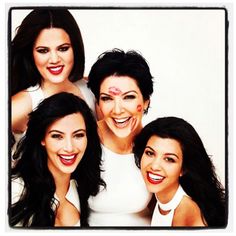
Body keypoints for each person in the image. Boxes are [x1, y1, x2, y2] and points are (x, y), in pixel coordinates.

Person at [10, 92, 105, 227]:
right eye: (57, 136)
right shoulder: (15, 190)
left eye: (78, 135)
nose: (69, 147)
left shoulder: (81, 188)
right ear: (42, 139)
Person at [11, 8, 98, 148]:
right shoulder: (21, 104)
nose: (54, 59)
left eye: (63, 48)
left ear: (75, 48)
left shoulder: (91, 90)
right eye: (43, 51)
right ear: (31, 54)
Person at [87, 48, 154, 226]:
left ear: (146, 101)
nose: (118, 110)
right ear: (98, 103)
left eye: (129, 97)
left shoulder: (157, 145)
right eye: (107, 98)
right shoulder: (82, 139)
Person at [133, 116, 226, 227]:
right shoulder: (155, 199)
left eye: (169, 159)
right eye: (150, 153)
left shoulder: (187, 214)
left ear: (184, 169)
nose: (154, 166)